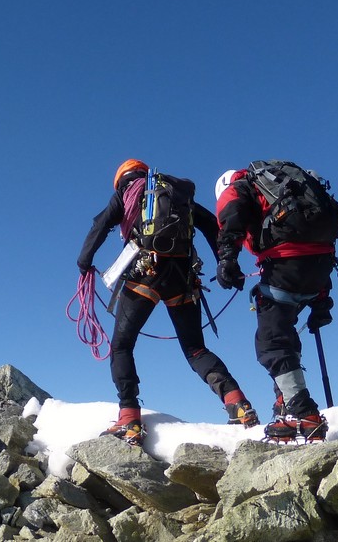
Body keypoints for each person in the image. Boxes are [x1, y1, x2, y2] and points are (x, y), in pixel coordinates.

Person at [77, 159, 259, 444]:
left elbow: (100, 225)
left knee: (122, 346)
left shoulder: (127, 193)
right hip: (183, 277)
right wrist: (224, 262)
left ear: (121, 179)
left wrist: (84, 262)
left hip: (144, 274)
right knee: (196, 349)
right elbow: (211, 224)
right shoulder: (177, 195)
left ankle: (129, 418)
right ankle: (238, 403)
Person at [213, 166, 337, 442]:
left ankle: (304, 414)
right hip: (319, 265)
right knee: (284, 332)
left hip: (285, 262)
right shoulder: (287, 185)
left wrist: (227, 260)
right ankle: (284, 403)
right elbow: (316, 245)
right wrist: (321, 303)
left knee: (271, 342)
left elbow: (230, 217)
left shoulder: (237, 187)